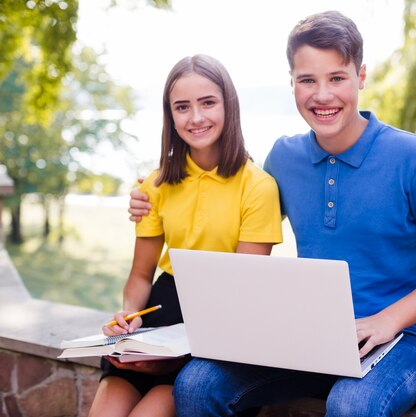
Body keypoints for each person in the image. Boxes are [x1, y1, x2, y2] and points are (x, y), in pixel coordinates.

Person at [129, 10, 416, 417]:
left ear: (361, 76)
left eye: (337, 78)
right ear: (292, 83)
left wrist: (387, 320)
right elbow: (232, 206)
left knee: (351, 406)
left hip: (400, 341)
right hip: (308, 336)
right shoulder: (284, 157)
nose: (322, 95)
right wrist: (151, 193)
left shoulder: (414, 157)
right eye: (307, 80)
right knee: (196, 384)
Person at [89, 54, 283, 417]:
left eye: (208, 102)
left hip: (214, 332)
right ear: (170, 115)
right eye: (182, 107)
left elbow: (241, 294)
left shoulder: (258, 187)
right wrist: (128, 320)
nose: (196, 117)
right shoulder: (156, 183)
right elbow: (141, 275)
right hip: (157, 317)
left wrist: (166, 361)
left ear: (229, 105)